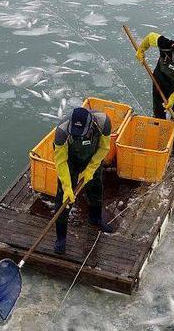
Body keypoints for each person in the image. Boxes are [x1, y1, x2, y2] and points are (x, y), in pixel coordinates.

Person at [52, 106, 115, 254]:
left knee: (95, 188)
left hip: (93, 157)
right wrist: (67, 187)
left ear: (91, 124)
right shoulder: (61, 132)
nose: (79, 136)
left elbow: (104, 148)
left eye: (82, 133)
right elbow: (60, 161)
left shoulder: (103, 122)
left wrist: (91, 169)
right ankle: (61, 238)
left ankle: (95, 218)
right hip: (70, 162)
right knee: (62, 200)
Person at [136, 31, 174, 158]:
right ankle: (160, 142)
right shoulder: (166, 45)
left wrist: (173, 98)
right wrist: (141, 51)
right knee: (158, 113)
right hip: (160, 82)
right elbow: (150, 36)